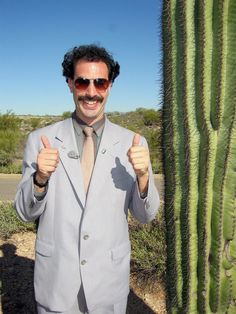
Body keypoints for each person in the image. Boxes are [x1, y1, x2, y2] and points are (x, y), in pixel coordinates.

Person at [14, 44, 160, 314]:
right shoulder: (40, 140)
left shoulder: (133, 142)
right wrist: (39, 179)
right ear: (70, 84)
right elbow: (24, 213)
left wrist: (142, 177)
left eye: (100, 82)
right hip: (57, 281)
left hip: (108, 282)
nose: (91, 92)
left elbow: (146, 215)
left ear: (110, 86)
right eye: (83, 82)